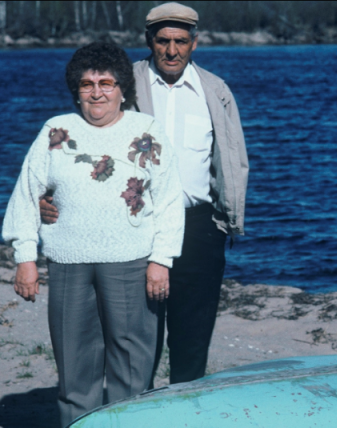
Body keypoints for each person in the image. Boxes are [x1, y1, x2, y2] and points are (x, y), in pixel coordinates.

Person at [40, 2, 249, 385]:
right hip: (135, 224)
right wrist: (48, 195)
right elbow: (77, 142)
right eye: (164, 41)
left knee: (193, 335)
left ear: (195, 43)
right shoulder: (123, 84)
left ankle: (184, 415)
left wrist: (227, 222)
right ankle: (136, 408)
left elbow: (231, 159)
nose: (172, 50)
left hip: (199, 227)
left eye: (181, 41)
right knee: (135, 333)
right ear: (148, 40)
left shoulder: (215, 91)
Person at [3, 41, 185, 428]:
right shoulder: (55, 131)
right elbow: (26, 194)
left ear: (123, 89)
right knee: (75, 363)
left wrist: (161, 261)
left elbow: (169, 201)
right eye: (87, 84)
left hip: (132, 262)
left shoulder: (146, 132)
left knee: (132, 365)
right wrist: (25, 259)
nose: (97, 92)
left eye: (106, 82)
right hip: (68, 261)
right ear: (76, 89)